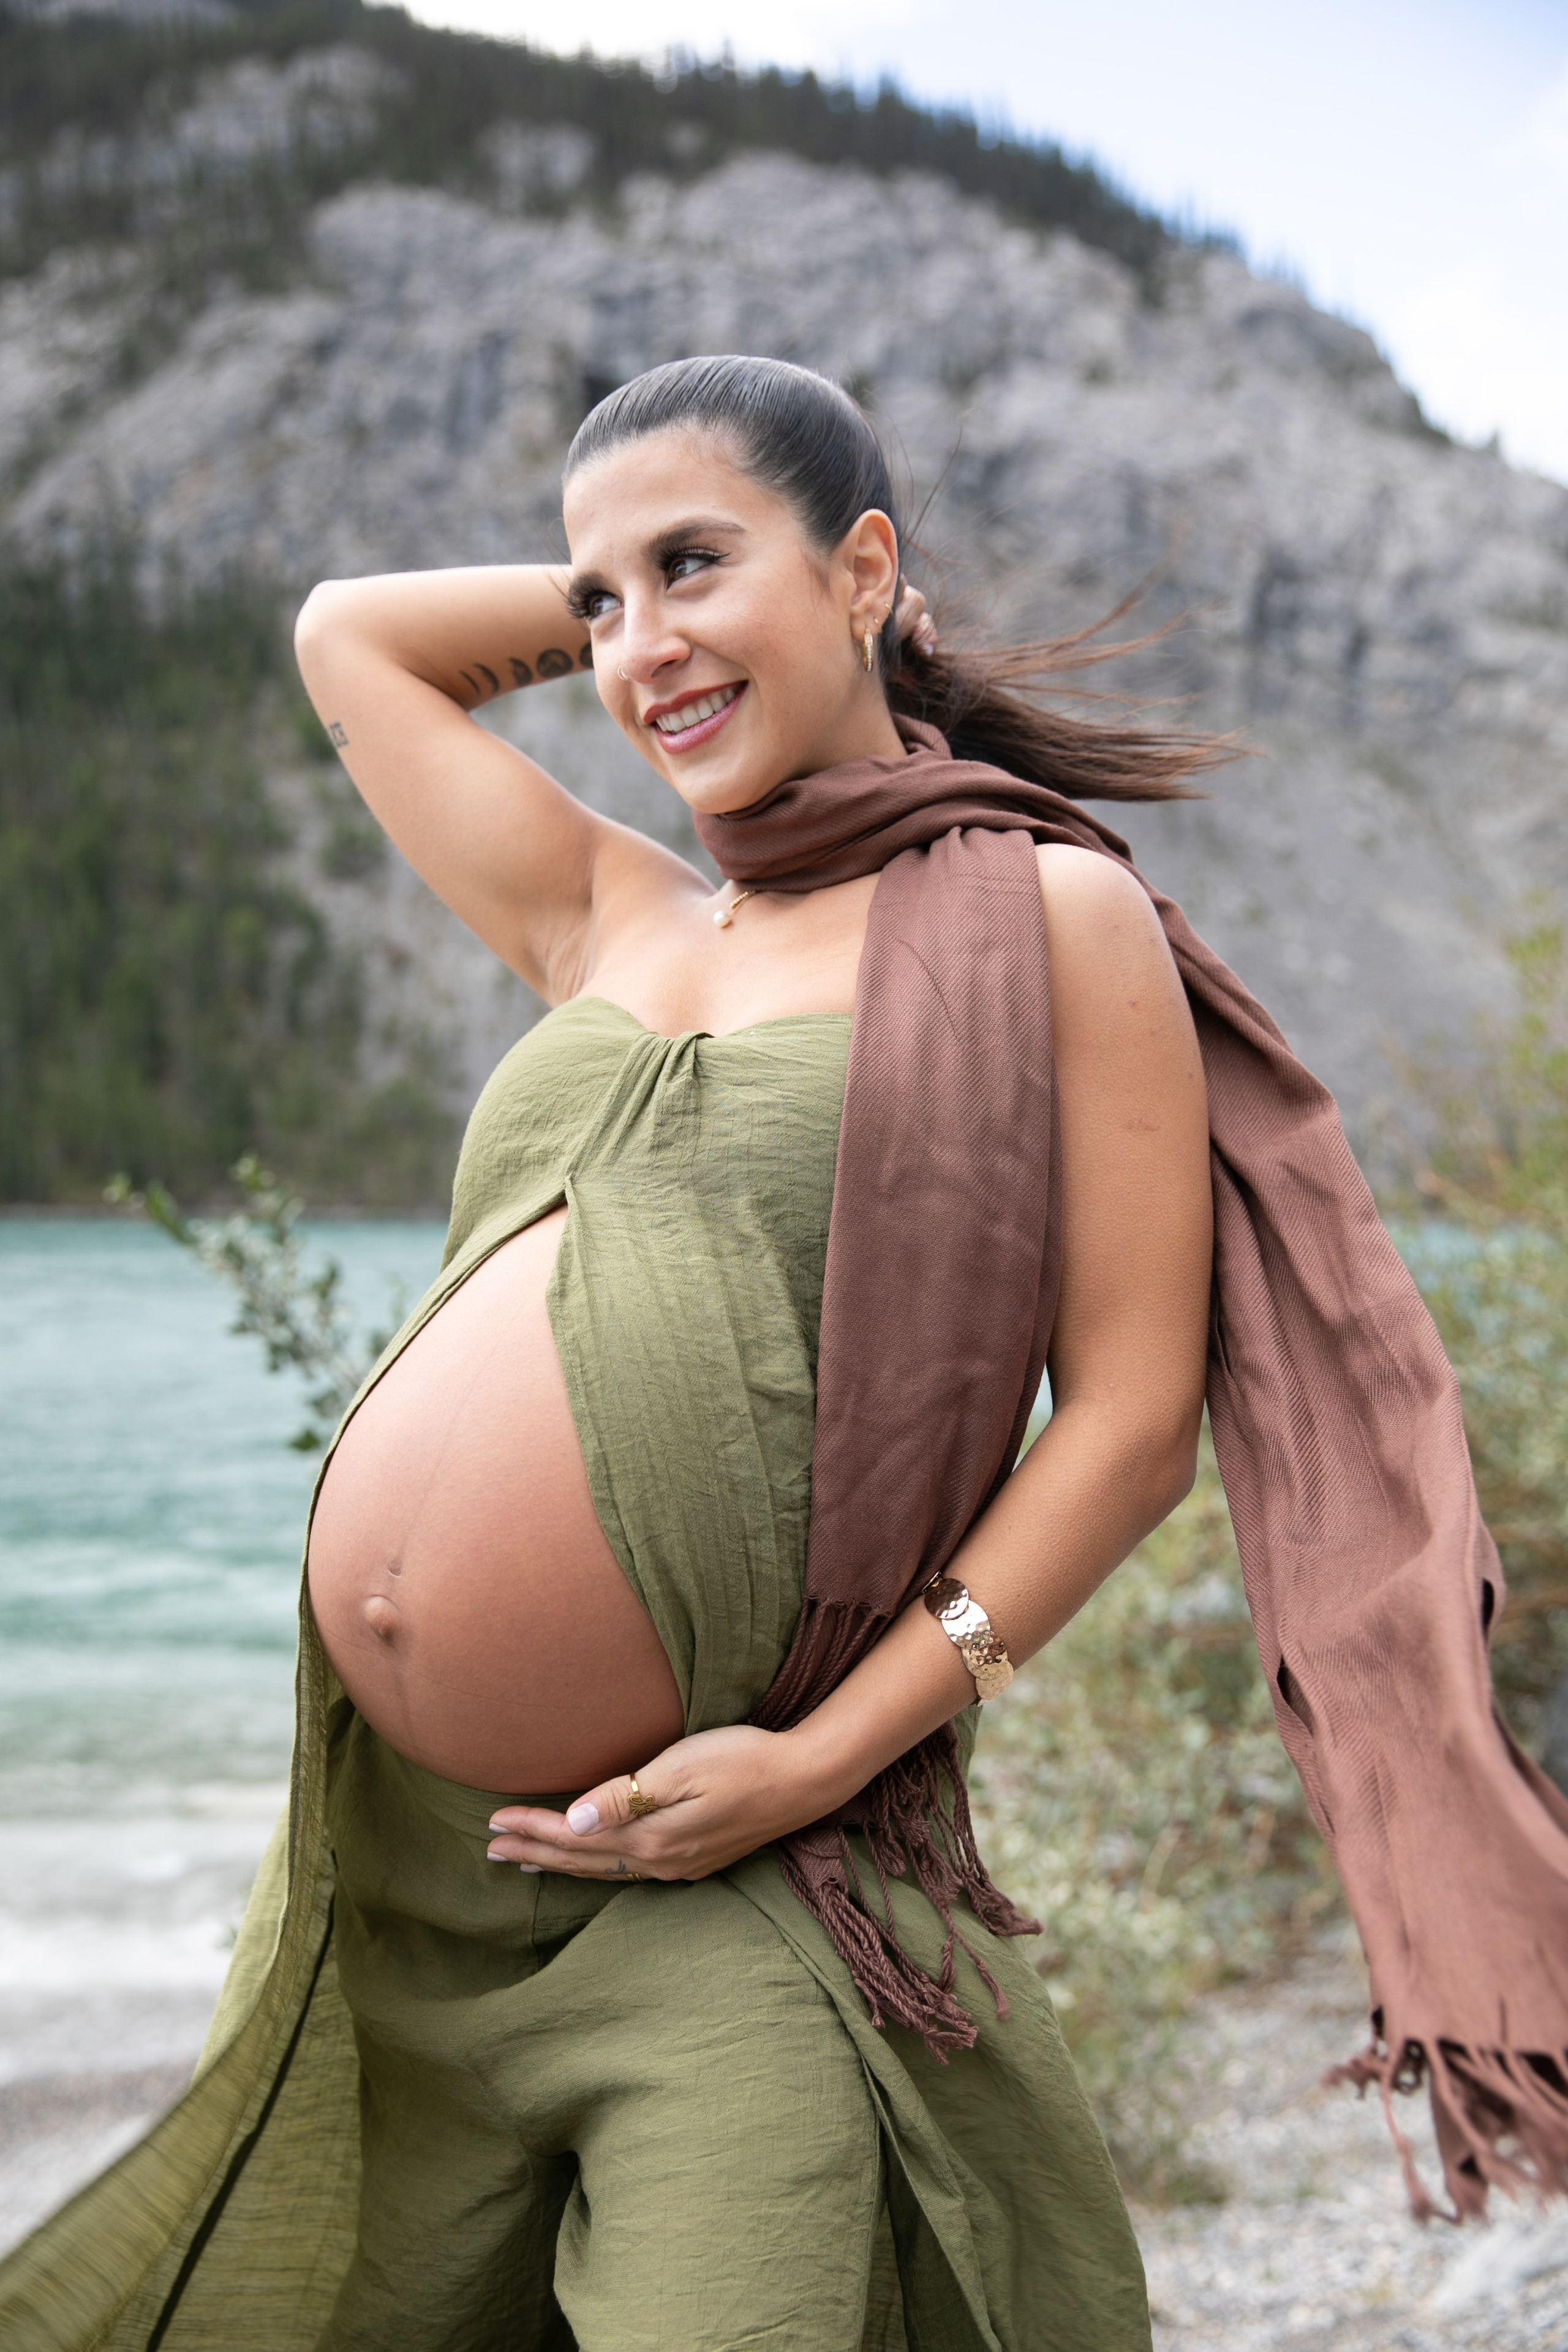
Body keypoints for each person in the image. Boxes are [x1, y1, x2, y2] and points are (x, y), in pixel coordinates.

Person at [6, 356, 1564, 2352]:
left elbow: (1131, 1424)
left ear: (867, 567)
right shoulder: (613, 914)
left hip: (730, 1869)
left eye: (693, 563)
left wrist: (818, 1761)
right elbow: (351, 642)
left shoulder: (1054, 919)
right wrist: (669, 609)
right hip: (405, 1874)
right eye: (597, 603)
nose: (634, 646)